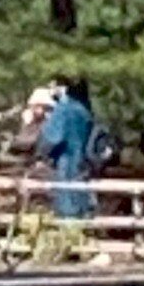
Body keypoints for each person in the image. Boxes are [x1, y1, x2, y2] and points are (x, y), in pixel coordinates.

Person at [33, 74, 104, 227]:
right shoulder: (84, 111)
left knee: (67, 206)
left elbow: (52, 137)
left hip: (66, 164)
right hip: (83, 164)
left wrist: (40, 154)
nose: (51, 91)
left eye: (53, 87)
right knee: (82, 203)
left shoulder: (64, 110)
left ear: (62, 88)